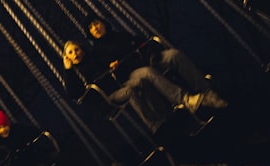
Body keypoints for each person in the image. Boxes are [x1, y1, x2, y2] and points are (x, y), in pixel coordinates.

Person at [62, 19, 227, 133]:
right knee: (146, 76)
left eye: (96, 23)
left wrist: (151, 51)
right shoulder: (96, 53)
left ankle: (206, 92)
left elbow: (139, 41)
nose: (96, 28)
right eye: (91, 27)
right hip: (130, 74)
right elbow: (90, 82)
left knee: (173, 55)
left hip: (146, 60)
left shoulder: (120, 36)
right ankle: (184, 101)